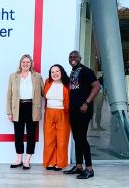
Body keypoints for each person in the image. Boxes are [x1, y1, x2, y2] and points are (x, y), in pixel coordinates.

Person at [62, 50, 100, 179]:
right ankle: (78, 167)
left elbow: (96, 87)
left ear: (80, 58)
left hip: (83, 110)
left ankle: (89, 168)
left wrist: (86, 103)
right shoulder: (73, 72)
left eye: (75, 57)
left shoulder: (87, 71)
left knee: (82, 138)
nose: (73, 59)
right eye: (71, 57)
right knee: (76, 138)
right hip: (74, 110)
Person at [6, 54, 44, 170]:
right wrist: (9, 112)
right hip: (18, 108)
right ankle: (19, 159)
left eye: (28, 62)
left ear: (31, 63)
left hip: (32, 107)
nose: (25, 64)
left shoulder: (37, 76)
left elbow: (44, 92)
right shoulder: (13, 76)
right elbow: (9, 95)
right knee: (18, 135)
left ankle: (27, 160)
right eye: (23, 62)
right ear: (20, 63)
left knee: (31, 135)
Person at [42, 64, 71, 171]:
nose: (55, 74)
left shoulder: (67, 84)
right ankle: (50, 162)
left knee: (62, 140)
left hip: (63, 113)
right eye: (52, 72)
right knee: (49, 139)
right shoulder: (48, 82)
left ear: (61, 72)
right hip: (49, 112)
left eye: (57, 71)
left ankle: (60, 163)